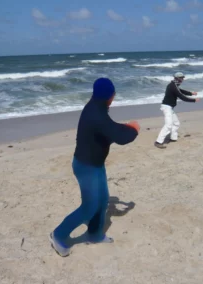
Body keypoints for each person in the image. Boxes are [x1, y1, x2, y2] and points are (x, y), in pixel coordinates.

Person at [50, 77, 140, 257]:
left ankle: (95, 234)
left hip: (95, 164)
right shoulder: (96, 113)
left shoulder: (96, 107)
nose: (113, 98)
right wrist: (134, 129)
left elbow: (110, 128)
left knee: (103, 200)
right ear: (110, 96)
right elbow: (120, 137)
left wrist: (124, 127)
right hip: (86, 166)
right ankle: (58, 234)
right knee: (89, 206)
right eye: (113, 95)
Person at [154, 72, 200, 149]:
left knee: (176, 123)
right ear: (177, 78)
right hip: (166, 107)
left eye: (183, 78)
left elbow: (180, 91)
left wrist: (191, 93)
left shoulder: (174, 85)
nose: (182, 79)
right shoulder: (173, 86)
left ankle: (173, 138)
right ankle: (158, 142)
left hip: (169, 107)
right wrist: (194, 100)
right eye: (181, 78)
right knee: (168, 125)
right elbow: (182, 97)